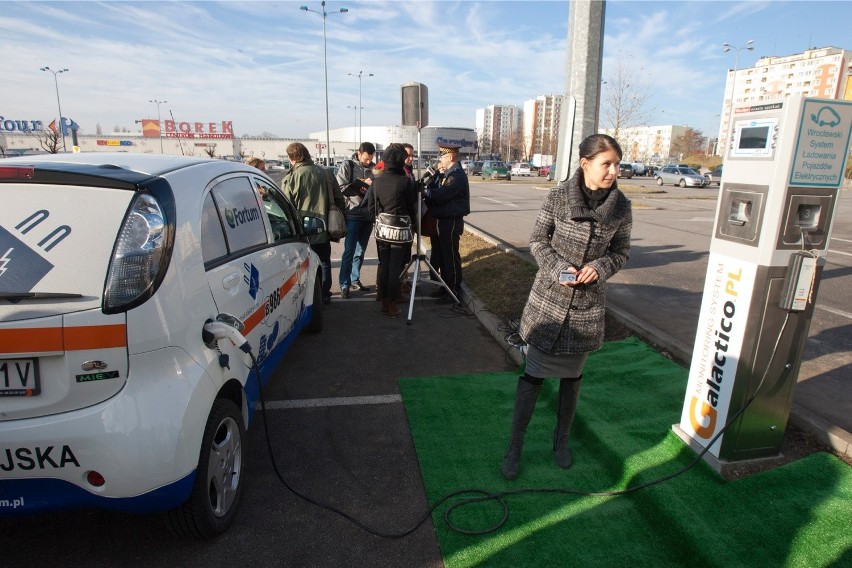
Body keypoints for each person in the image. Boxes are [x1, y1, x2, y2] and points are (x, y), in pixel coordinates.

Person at [501, 134, 633, 480]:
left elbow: (621, 252)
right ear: (585, 163)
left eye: (617, 164)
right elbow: (537, 241)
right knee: (533, 375)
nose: (614, 171)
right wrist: (559, 268)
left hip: (587, 306)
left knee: (572, 378)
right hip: (549, 301)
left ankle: (561, 442)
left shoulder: (622, 207)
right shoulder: (558, 197)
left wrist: (599, 268)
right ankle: (515, 443)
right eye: (607, 164)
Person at [281, 142, 345, 306]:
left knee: (301, 265)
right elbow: (339, 199)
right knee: (324, 261)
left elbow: (286, 206)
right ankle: (324, 294)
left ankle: (307, 296)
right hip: (324, 227)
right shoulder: (326, 173)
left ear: (291, 158)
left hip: (301, 230)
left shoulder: (292, 177)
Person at [365, 143, 417, 318]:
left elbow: (371, 209)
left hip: (382, 231)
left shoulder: (376, 182)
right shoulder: (405, 182)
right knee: (395, 268)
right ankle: (392, 305)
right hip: (400, 231)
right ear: (401, 161)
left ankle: (385, 302)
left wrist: (380, 219)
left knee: (385, 266)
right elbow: (412, 208)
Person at [423, 142, 469, 304]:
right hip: (442, 220)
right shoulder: (447, 173)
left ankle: (453, 290)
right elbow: (434, 189)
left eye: (441, 156)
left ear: (449, 157)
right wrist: (435, 175)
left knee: (450, 256)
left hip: (451, 221)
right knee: (442, 256)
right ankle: (444, 287)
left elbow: (440, 195)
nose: (439, 159)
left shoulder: (455, 175)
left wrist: (426, 192)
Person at [336, 142, 376, 299]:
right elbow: (341, 188)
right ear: (359, 154)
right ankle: (344, 284)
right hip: (352, 213)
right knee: (349, 250)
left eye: (370, 159)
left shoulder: (374, 169)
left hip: (368, 215)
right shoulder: (349, 165)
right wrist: (361, 184)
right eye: (366, 158)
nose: (368, 161)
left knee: (360, 251)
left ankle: (355, 278)